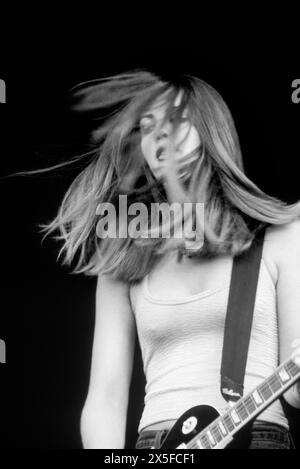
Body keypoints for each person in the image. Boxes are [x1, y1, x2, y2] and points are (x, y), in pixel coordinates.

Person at [42, 70, 300, 449]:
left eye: (175, 120)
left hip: (258, 437)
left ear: (211, 131)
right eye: (147, 127)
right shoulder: (124, 260)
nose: (159, 134)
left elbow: (295, 394)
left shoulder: (281, 236)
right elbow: (105, 398)